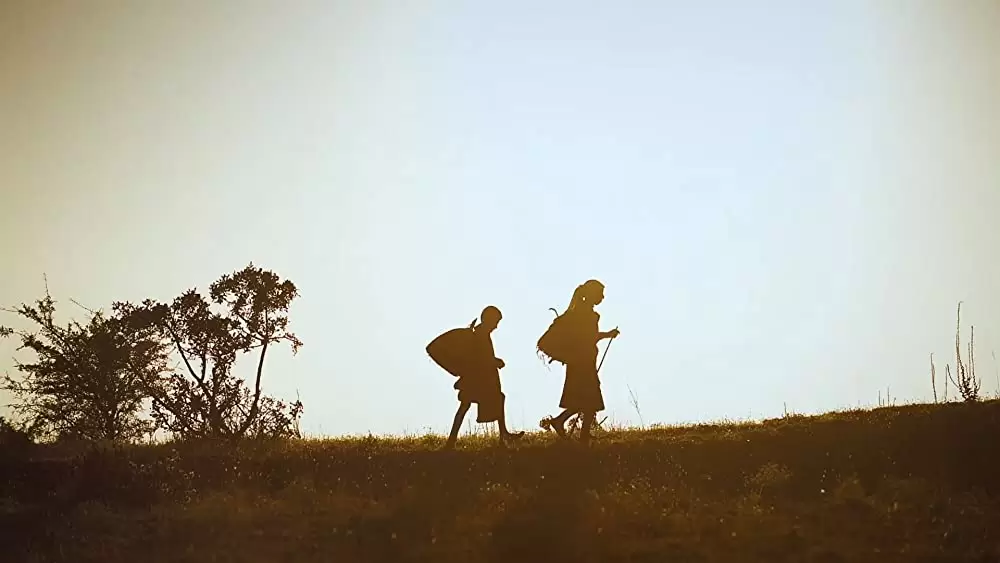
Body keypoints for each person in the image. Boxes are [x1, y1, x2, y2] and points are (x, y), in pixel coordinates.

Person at [539, 280, 620, 444]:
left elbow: (588, 338)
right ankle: (579, 435)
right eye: (600, 293)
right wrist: (607, 334)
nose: (602, 297)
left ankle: (566, 425)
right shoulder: (587, 316)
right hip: (582, 363)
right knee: (590, 400)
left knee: (584, 400)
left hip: (581, 362)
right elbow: (589, 338)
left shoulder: (578, 314)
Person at [444, 305, 524, 449]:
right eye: (495, 322)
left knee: (467, 406)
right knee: (489, 400)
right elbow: (481, 358)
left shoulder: (480, 333)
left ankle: (452, 441)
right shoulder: (480, 335)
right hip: (476, 380)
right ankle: (503, 436)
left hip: (476, 379)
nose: (496, 326)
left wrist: (493, 361)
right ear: (488, 320)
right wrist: (496, 362)